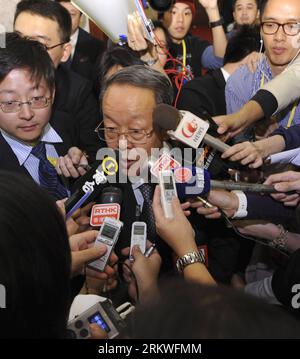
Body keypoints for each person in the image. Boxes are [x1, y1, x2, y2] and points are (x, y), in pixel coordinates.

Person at [14, 0, 100, 160]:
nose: (24, 54)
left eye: (38, 45)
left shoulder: (79, 92)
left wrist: (81, 159)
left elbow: (96, 153)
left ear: (65, 52)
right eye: (18, 41)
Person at [0, 32, 73, 200]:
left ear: (53, 93)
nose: (27, 114)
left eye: (37, 99)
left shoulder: (65, 125)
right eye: (10, 103)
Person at [225, 0, 300, 137]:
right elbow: (237, 147)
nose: (279, 37)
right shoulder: (240, 82)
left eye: (292, 26)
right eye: (270, 25)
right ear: (260, 28)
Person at [161, 0, 226, 81]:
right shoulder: (154, 47)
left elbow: (220, 60)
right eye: (173, 12)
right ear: (161, 17)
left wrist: (212, 10)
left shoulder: (195, 44)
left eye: (187, 13)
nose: (181, 19)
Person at [55, 0, 105, 82]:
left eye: (72, 14)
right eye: (62, 13)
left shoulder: (96, 46)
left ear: (81, 18)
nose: (65, 19)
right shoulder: (45, 41)